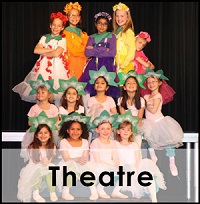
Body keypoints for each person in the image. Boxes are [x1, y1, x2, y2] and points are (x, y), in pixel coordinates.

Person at [12, 12, 70, 103]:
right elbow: (36, 50)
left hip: (58, 68)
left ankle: (57, 114)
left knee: (58, 93)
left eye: (59, 26)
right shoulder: (44, 37)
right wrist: (51, 50)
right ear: (50, 25)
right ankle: (41, 113)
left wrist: (44, 51)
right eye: (54, 25)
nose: (56, 27)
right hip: (43, 66)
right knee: (41, 91)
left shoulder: (62, 39)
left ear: (62, 27)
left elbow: (56, 53)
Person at [115, 112, 167, 202]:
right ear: (118, 131)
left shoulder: (134, 144)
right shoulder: (116, 144)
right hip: (123, 166)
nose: (126, 132)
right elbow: (115, 157)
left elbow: (138, 157)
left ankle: (154, 198)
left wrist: (136, 168)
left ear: (131, 132)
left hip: (136, 165)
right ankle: (116, 191)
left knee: (148, 175)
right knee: (127, 173)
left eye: (128, 130)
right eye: (123, 129)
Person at [142, 69, 184, 177]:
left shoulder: (158, 96)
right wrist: (146, 103)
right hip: (149, 122)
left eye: (154, 82)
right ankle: (153, 157)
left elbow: (153, 110)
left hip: (159, 121)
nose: (151, 84)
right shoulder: (146, 97)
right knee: (149, 139)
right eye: (149, 82)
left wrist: (145, 104)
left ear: (159, 83)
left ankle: (172, 160)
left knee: (168, 141)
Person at [57, 113, 99, 201]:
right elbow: (66, 158)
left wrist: (82, 161)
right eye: (72, 129)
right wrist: (77, 160)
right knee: (70, 169)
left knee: (87, 170)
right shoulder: (64, 142)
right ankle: (66, 192)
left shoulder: (85, 142)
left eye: (78, 129)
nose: (75, 132)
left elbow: (85, 157)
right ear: (67, 130)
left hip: (81, 162)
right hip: (68, 163)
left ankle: (93, 191)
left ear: (82, 131)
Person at [79, 11, 120, 98]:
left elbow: (112, 53)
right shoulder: (91, 37)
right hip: (94, 65)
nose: (102, 26)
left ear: (108, 25)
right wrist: (104, 49)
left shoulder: (111, 36)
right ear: (95, 24)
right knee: (93, 88)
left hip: (108, 65)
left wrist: (94, 49)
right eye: (99, 23)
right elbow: (87, 53)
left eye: (105, 24)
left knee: (107, 88)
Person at [89, 110, 129, 199]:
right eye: (102, 129)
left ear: (112, 130)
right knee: (107, 172)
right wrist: (110, 167)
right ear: (97, 130)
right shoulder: (95, 142)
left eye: (108, 128)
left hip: (109, 163)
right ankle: (100, 188)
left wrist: (118, 166)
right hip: (97, 164)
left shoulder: (113, 143)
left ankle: (116, 191)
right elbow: (97, 160)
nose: (105, 131)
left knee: (125, 171)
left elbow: (115, 157)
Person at [20, 76, 60, 161]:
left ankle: (53, 156)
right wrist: (38, 123)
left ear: (49, 95)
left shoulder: (53, 107)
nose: (40, 94)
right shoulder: (34, 108)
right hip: (38, 130)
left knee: (57, 136)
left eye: (43, 92)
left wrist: (49, 125)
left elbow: (57, 120)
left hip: (50, 130)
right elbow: (29, 123)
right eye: (38, 92)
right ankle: (34, 157)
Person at [17, 124, 58, 202]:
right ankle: (36, 193)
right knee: (38, 170)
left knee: (52, 170)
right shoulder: (32, 146)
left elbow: (50, 159)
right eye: (40, 133)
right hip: (34, 166)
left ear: (50, 135)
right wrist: (41, 162)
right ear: (36, 135)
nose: (43, 135)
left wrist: (47, 162)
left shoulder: (52, 146)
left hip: (46, 165)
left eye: (46, 133)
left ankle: (52, 192)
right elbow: (34, 161)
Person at [86, 66, 118, 142]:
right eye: (97, 83)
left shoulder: (110, 99)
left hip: (107, 125)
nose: (99, 84)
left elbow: (114, 114)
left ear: (106, 88)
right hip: (95, 125)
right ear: (94, 86)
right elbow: (90, 114)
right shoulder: (91, 99)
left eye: (102, 83)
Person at [117, 71, 147, 148]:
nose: (131, 85)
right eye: (128, 83)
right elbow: (123, 116)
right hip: (125, 127)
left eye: (134, 83)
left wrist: (134, 120)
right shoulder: (121, 100)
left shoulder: (141, 100)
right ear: (124, 87)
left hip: (137, 125)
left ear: (137, 86)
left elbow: (139, 117)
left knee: (137, 146)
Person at [63, 2, 89, 80]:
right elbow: (73, 50)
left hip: (83, 64)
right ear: (67, 17)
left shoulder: (83, 33)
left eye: (77, 15)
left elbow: (89, 47)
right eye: (72, 15)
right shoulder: (65, 33)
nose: (75, 17)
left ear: (80, 17)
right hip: (71, 64)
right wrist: (86, 51)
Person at [112, 2, 136, 74]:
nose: (119, 19)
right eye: (117, 16)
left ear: (127, 17)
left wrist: (124, 65)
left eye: (122, 16)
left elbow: (132, 49)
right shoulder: (116, 32)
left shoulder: (128, 32)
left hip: (124, 65)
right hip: (116, 63)